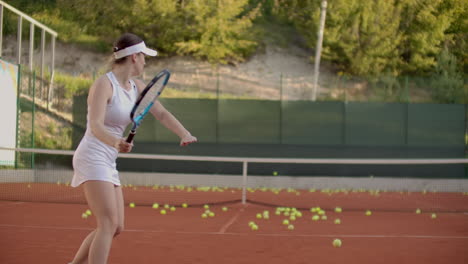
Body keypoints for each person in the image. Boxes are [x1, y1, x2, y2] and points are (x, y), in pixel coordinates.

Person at [69, 33, 197, 264]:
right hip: (92, 155)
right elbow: (96, 125)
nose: (146, 62)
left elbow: (161, 113)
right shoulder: (103, 85)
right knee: (106, 224)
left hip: (108, 159)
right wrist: (115, 142)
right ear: (134, 57)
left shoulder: (136, 86)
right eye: (144, 57)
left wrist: (184, 133)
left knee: (116, 226)